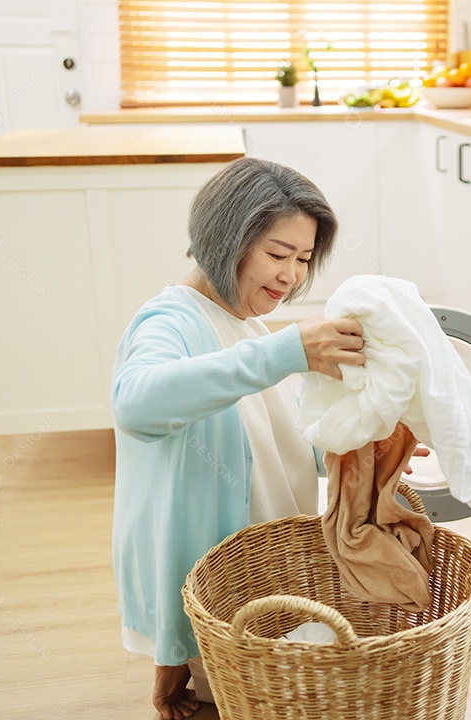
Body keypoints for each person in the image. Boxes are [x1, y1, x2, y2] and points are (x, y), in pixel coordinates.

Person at [111, 157, 367, 719]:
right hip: (220, 593)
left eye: (303, 259)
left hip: (263, 580)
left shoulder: (249, 326)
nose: (292, 275)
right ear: (226, 238)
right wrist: (172, 653)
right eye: (277, 255)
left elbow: (285, 434)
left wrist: (367, 445)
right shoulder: (169, 321)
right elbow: (136, 403)